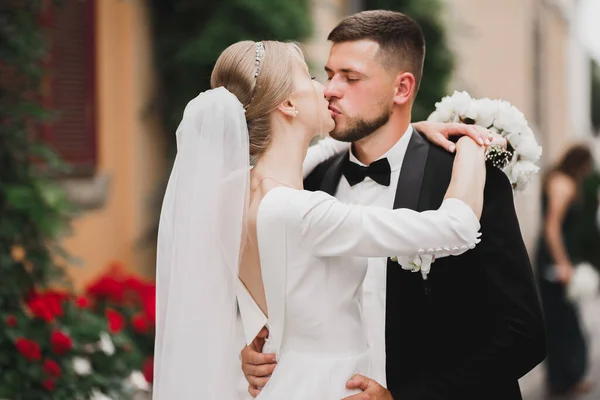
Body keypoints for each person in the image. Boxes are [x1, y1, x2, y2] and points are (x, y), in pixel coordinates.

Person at [152, 38, 499, 400]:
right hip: (331, 387)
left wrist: (413, 130)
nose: (327, 89)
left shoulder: (234, 193)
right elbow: (456, 228)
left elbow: (313, 152)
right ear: (287, 103)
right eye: (312, 77)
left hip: (286, 381)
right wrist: (474, 146)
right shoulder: (302, 212)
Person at [242, 10, 546, 400]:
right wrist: (261, 348)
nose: (331, 89)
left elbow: (523, 335)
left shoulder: (463, 177)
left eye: (350, 78)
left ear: (402, 89)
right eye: (328, 74)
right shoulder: (310, 184)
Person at [535, 144, 594, 396]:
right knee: (564, 322)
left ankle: (561, 380)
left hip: (551, 257)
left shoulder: (556, 178)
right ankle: (565, 380)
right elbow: (552, 227)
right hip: (553, 260)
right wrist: (563, 264)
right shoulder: (564, 183)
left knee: (559, 320)